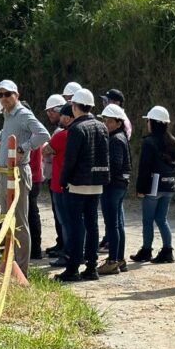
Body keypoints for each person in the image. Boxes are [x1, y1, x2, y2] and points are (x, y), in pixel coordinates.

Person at [0, 80, 50, 275]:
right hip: (4, 172)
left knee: (19, 221)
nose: (3, 98)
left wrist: (22, 148)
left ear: (16, 95)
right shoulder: (7, 115)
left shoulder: (23, 113)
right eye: (0, 95)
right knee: (6, 220)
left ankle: (21, 269)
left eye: (7, 94)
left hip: (17, 172)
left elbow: (44, 134)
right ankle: (9, 263)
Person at [56, 89, 109, 282]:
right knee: (92, 225)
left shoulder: (76, 129)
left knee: (75, 226)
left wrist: (63, 181)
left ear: (74, 106)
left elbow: (70, 160)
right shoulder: (102, 126)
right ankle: (92, 267)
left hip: (77, 183)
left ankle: (73, 269)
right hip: (97, 183)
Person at [130, 106, 175, 264]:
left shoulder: (149, 142)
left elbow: (145, 167)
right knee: (162, 219)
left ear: (153, 122)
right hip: (169, 184)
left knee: (148, 220)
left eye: (148, 120)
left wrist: (140, 188)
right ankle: (167, 250)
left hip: (154, 185)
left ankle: (146, 250)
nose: (147, 123)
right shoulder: (173, 141)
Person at [98, 104, 131, 275]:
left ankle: (112, 261)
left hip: (112, 186)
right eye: (104, 120)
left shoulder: (115, 139)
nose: (105, 123)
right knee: (117, 224)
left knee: (112, 224)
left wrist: (102, 176)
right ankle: (119, 259)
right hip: (119, 185)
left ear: (119, 122)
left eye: (109, 121)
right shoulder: (120, 136)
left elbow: (115, 165)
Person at [41, 94, 67, 257]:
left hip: (59, 178)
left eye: (52, 111)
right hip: (55, 177)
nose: (49, 114)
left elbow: (48, 152)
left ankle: (65, 245)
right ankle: (62, 242)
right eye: (48, 111)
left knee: (62, 216)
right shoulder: (60, 130)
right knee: (59, 215)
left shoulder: (61, 131)